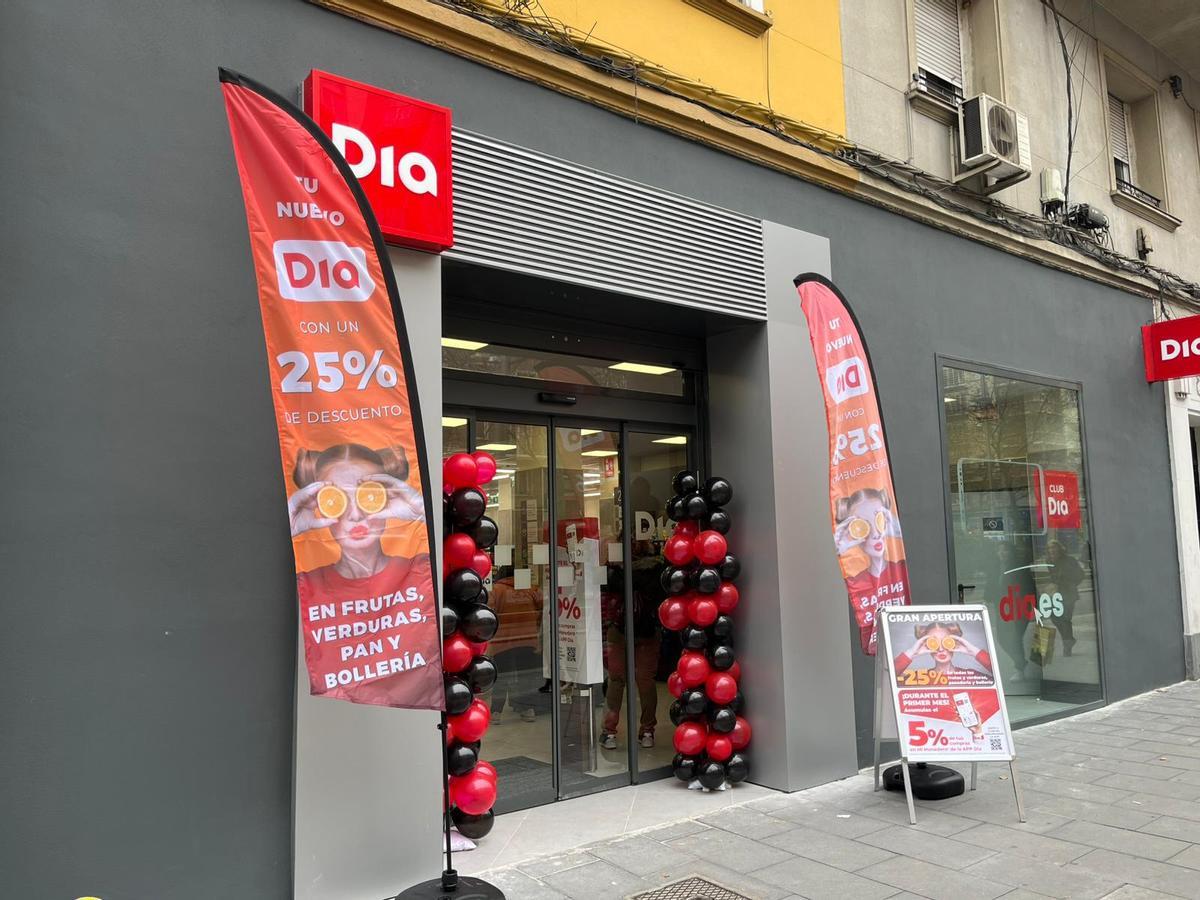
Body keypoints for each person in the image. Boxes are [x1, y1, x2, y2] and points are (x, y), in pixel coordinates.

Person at [893, 621, 992, 681]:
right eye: (934, 642)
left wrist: (974, 651)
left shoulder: (971, 676)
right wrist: (911, 653)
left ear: (953, 642)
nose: (941, 649)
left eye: (946, 641)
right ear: (926, 644)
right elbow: (887, 679)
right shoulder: (918, 678)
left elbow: (999, 678)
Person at [1046, 540, 1084, 656]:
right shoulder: (1049, 561)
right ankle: (1069, 640)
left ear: (1060, 549)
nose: (1052, 550)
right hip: (1056, 594)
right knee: (1055, 618)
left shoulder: (1070, 560)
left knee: (1065, 619)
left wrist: (1071, 584)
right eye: (1050, 548)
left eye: (1054, 548)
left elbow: (1080, 575)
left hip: (1069, 594)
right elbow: (1053, 577)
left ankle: (1067, 646)